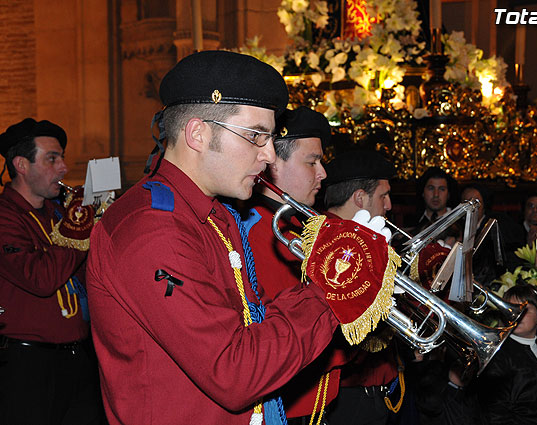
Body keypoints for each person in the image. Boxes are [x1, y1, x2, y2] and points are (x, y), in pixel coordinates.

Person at [86, 51, 397, 424]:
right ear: (198, 134)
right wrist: (332, 288)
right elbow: (234, 372)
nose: (268, 155)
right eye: (255, 136)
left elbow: (253, 327)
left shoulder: (214, 214)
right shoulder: (152, 230)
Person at [243, 106, 346, 422]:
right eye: (312, 161)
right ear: (273, 164)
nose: (323, 173)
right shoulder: (258, 229)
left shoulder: (303, 224)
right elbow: (288, 332)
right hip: (289, 412)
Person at [0, 118, 104, 424]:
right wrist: (76, 236)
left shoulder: (58, 211)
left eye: (62, 158)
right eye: (52, 159)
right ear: (21, 164)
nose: (63, 168)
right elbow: (40, 278)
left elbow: (90, 275)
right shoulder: (5, 216)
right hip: (27, 365)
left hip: (77, 358)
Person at [322, 149, 399, 425]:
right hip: (348, 398)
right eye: (383, 195)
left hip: (374, 391)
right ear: (359, 198)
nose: (389, 205)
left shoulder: (367, 240)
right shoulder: (327, 244)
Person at [474, 284, 537, 425]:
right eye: (511, 308)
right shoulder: (499, 355)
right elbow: (494, 411)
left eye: (524, 309)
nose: (516, 314)